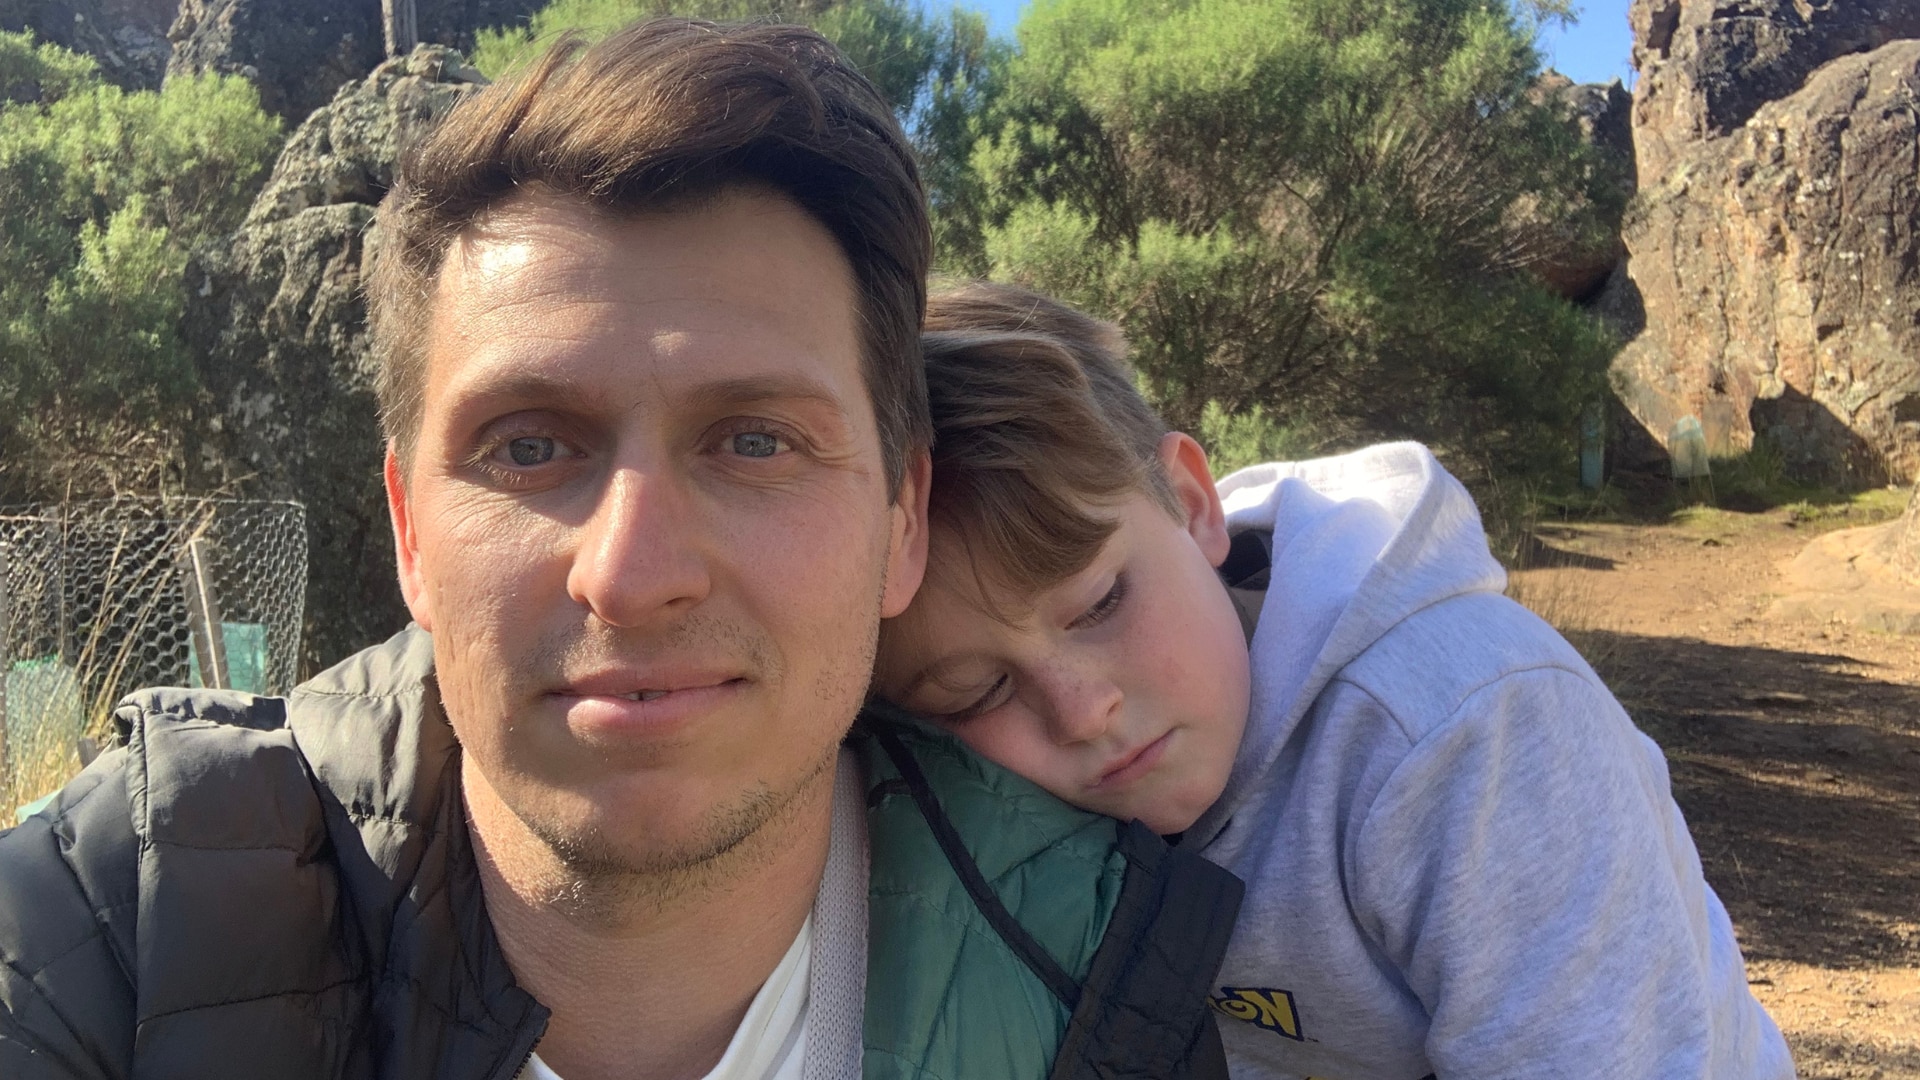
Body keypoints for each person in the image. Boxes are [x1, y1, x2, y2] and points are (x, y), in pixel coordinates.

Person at [0, 24, 1242, 1080]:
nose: (632, 575)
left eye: (755, 441)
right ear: (410, 531)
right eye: (529, 448)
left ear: (903, 521)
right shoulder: (114, 925)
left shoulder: (1103, 969)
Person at [874, 281, 1798, 1080]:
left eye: (1101, 603)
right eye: (977, 693)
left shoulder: (1468, 729)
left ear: (1192, 506)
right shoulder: (955, 800)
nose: (1082, 713)